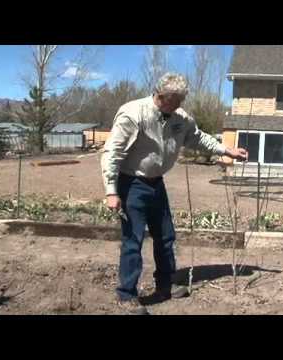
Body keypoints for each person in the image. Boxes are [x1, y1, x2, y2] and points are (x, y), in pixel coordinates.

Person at [101, 72, 248, 315]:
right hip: (131, 184)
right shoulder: (133, 113)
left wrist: (227, 151)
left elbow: (198, 138)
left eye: (182, 99)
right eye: (177, 99)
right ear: (162, 96)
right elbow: (112, 153)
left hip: (156, 184)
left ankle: (165, 286)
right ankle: (126, 295)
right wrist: (111, 191)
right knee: (133, 240)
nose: (181, 104)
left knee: (166, 237)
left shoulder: (180, 118)